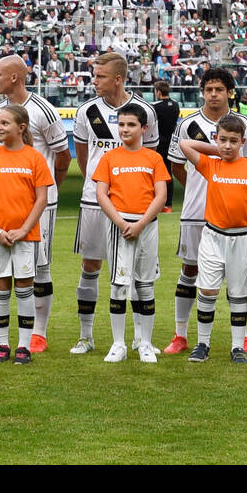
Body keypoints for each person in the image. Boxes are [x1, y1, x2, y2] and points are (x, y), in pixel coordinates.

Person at [0, 55, 68, 354]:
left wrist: (44, 193)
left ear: (14, 78)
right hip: (2, 205)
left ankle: (38, 334)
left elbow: (63, 156)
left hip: (38, 205)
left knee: (38, 269)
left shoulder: (44, 110)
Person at [164, 67, 247, 355]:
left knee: (237, 275)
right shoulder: (187, 124)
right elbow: (176, 165)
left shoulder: (244, 125)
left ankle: (241, 338)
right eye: (209, 90)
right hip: (196, 211)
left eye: (219, 89)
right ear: (202, 92)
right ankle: (180, 334)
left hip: (235, 218)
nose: (214, 95)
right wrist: (201, 185)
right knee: (189, 271)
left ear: (230, 92)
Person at [69, 52, 157, 354]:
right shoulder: (87, 111)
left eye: (100, 76)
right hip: (96, 203)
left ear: (117, 79)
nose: (94, 81)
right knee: (90, 265)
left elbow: (150, 159)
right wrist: (99, 187)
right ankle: (86, 336)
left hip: (135, 207)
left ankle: (139, 339)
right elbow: (83, 155)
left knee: (134, 271)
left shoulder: (145, 111)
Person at [178, 114, 247, 364]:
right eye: (223, 140)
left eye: (234, 141)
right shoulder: (212, 164)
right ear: (215, 139)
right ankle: (202, 344)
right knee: (207, 290)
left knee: (238, 294)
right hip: (212, 237)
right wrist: (217, 150)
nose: (228, 145)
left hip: (243, 239)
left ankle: (237, 347)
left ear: (244, 141)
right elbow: (185, 144)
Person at [0, 105, 53, 365]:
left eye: (5, 123)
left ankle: (23, 346)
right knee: (0, 288)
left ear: (21, 128)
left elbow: (41, 199)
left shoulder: (35, 158)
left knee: (24, 288)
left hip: (26, 237)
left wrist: (23, 230)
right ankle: (3, 344)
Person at [92, 103, 169, 363]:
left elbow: (161, 195)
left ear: (144, 128)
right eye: (121, 124)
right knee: (118, 285)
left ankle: (144, 343)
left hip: (146, 226)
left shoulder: (153, 158)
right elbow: (102, 194)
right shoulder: (110, 158)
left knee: (145, 286)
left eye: (131, 125)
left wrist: (140, 224)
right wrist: (122, 223)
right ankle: (118, 344)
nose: (125, 129)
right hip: (119, 227)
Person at [151, 80, 180, 213]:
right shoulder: (175, 105)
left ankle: (156, 201)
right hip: (171, 142)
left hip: (159, 143)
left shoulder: (155, 107)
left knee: (156, 173)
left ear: (158, 92)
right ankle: (168, 204)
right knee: (168, 171)